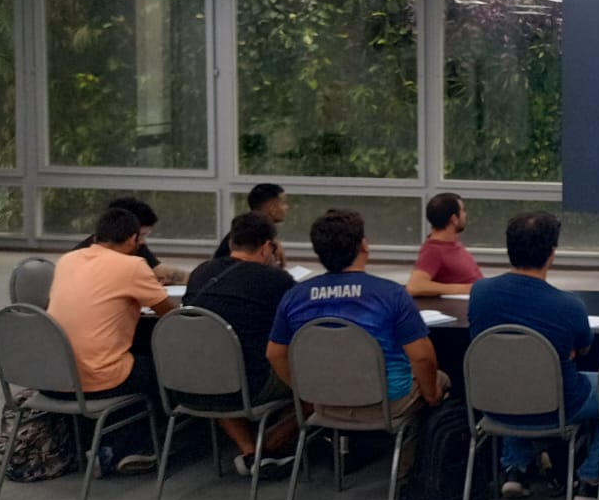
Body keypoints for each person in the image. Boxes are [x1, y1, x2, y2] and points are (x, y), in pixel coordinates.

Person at [266, 209, 446, 474]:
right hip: (386, 403)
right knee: (440, 382)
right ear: (364, 245)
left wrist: (305, 392)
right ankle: (411, 475)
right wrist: (431, 395)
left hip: (325, 402)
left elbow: (274, 354)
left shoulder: (294, 297)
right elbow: (422, 357)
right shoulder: (391, 295)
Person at [467, 211, 599, 500]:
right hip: (558, 407)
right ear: (552, 253)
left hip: (495, 403)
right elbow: (585, 349)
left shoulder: (479, 293)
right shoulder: (569, 305)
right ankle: (590, 480)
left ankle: (515, 469)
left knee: (512, 373)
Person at [47, 206, 176, 474]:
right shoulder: (132, 265)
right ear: (132, 239)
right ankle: (129, 447)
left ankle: (103, 438)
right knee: (165, 371)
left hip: (54, 376)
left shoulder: (67, 260)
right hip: (99, 377)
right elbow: (170, 315)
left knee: (134, 358)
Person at [184, 211, 299, 478]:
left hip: (193, 380)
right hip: (251, 385)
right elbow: (298, 324)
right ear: (268, 247)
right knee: (319, 380)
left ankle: (248, 452)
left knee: (217, 367)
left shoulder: (201, 272)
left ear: (231, 242)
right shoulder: (276, 280)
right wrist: (278, 269)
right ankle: (268, 446)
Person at [73, 196, 189, 285]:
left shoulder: (132, 245)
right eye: (142, 235)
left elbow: (160, 272)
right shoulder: (81, 260)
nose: (142, 242)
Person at [406, 192, 484, 298]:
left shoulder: (451, 243)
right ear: (454, 219)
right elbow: (415, 286)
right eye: (463, 211)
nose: (465, 214)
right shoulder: (433, 250)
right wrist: (467, 289)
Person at [212, 183, 288, 264]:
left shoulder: (243, 231)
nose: (287, 207)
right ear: (272, 208)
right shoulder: (251, 237)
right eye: (283, 203)